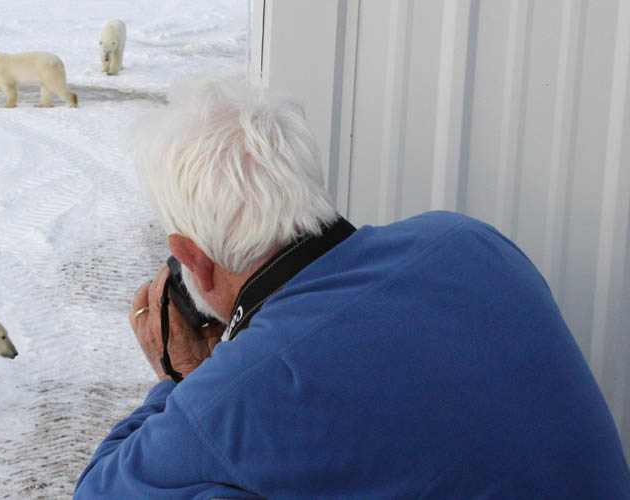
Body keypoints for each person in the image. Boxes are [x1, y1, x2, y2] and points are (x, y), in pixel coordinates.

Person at [73, 78, 630, 499]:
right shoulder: (468, 240)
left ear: (194, 258)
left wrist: (182, 377)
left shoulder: (243, 393)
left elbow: (98, 490)